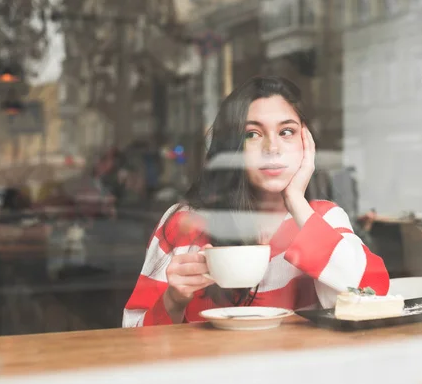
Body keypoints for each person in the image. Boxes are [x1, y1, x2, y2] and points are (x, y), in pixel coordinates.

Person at [122, 76, 389, 327]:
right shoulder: (184, 222)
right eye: (252, 134)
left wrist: (295, 200)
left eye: (287, 132)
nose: (272, 148)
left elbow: (372, 297)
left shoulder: (324, 219)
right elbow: (131, 338)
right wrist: (173, 300)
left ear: (306, 144)